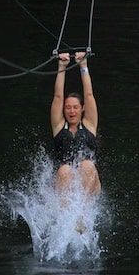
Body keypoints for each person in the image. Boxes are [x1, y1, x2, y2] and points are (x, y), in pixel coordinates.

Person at [50, 51, 101, 200]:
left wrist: (83, 65)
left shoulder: (89, 125)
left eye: (75, 107)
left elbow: (89, 95)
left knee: (87, 165)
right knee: (65, 169)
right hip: (64, 184)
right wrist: (62, 66)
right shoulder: (59, 127)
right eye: (68, 107)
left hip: (90, 186)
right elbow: (58, 96)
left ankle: (82, 219)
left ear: (82, 108)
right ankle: (66, 216)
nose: (72, 111)